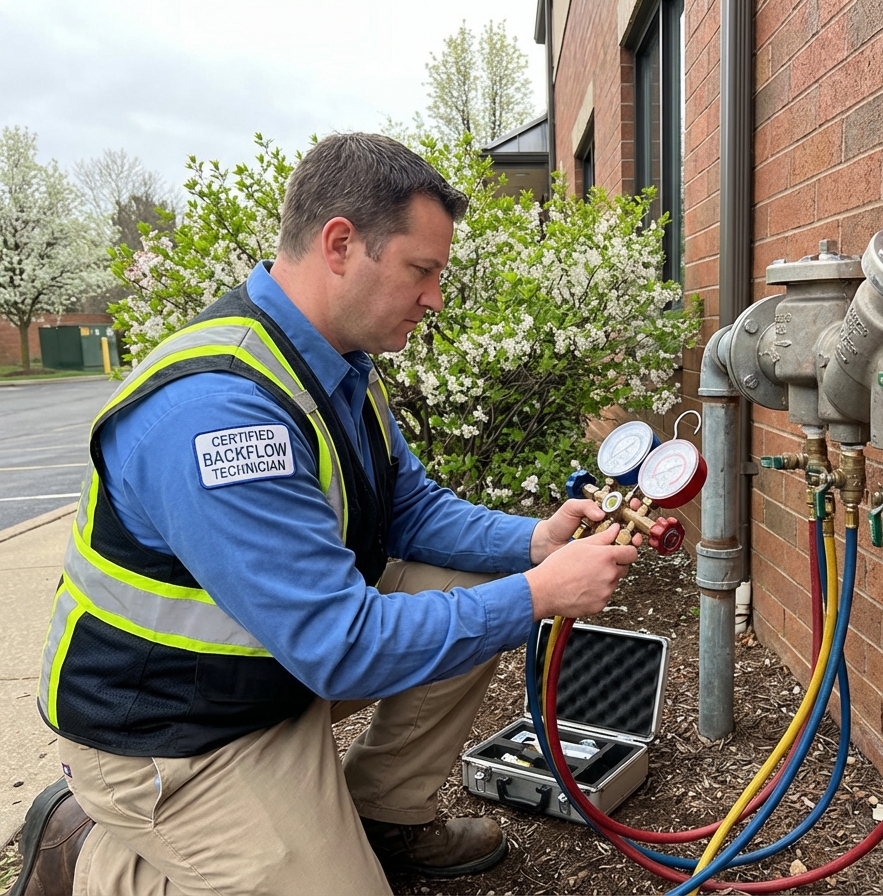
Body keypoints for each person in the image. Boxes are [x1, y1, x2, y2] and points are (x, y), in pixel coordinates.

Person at [10, 133, 639, 896]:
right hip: (172, 733)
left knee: (473, 577)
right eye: (422, 270)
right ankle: (89, 857)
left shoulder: (335, 364)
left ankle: (382, 817)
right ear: (341, 243)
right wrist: (539, 594)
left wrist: (534, 543)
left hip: (268, 671)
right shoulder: (218, 414)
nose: (436, 297)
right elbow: (341, 646)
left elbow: (408, 507)